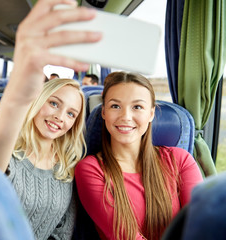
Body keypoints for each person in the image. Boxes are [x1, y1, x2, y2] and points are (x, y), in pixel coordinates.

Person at [0, 0, 102, 239]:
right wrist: (16, 98)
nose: (59, 117)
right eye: (54, 103)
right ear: (37, 101)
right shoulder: (8, 150)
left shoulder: (68, 166)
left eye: (71, 113)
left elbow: (62, 232)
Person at [75, 71, 203, 240]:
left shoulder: (180, 160)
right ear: (104, 112)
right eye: (115, 106)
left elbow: (200, 225)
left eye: (137, 107)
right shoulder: (91, 169)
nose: (126, 117)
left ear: (151, 114)